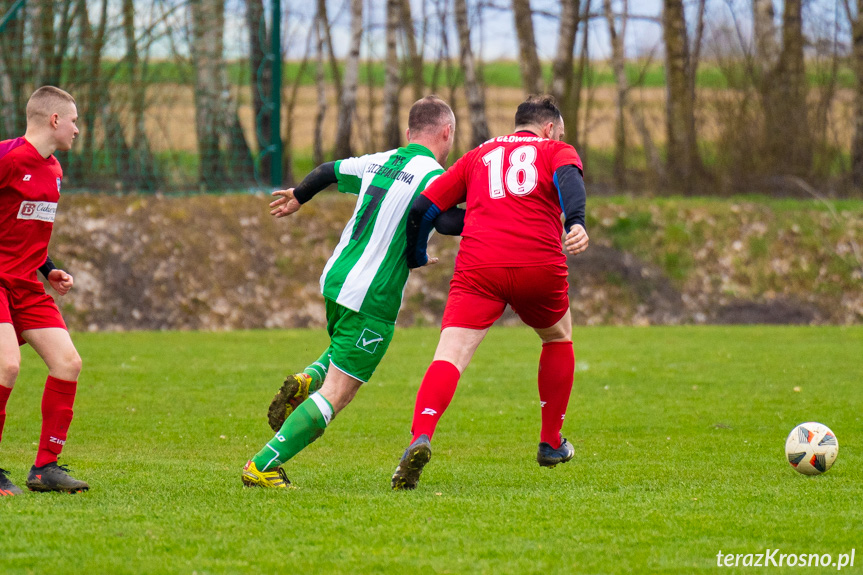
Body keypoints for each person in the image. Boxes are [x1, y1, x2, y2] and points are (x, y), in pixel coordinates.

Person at [242, 96, 464, 488]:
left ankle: (307, 378)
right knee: (339, 394)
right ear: (447, 133)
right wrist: (493, 219)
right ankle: (262, 465)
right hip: (373, 294)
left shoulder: (379, 160)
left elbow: (328, 170)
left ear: (408, 133)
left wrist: (299, 195)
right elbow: (445, 220)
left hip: (337, 279)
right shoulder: (435, 177)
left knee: (341, 350)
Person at [391, 94, 590, 490]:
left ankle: (421, 435)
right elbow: (569, 180)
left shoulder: (477, 156)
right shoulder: (555, 149)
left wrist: (424, 248)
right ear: (548, 128)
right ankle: (550, 442)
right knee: (557, 336)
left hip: (479, 268)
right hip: (538, 264)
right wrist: (576, 222)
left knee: (450, 355)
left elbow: (425, 211)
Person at [0, 86, 89, 495]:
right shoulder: (7, 158)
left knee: (68, 363)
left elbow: (25, 231)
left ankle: (44, 469)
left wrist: (49, 269)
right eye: (73, 120)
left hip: (27, 285)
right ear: (54, 120)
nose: (76, 128)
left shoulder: (53, 171)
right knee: (7, 366)